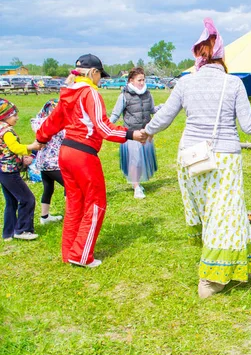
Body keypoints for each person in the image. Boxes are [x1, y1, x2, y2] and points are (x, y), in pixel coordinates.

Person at [143, 18, 251, 298]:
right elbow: (248, 126)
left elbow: (163, 117)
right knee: (223, 217)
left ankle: (233, 265)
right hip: (223, 158)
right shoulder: (232, 84)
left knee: (213, 214)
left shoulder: (186, 83)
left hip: (190, 157)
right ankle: (211, 280)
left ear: (199, 54)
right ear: (221, 55)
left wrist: (145, 132)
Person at [36, 54, 146, 268]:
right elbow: (103, 128)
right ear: (93, 73)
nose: (100, 80)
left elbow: (53, 121)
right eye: (100, 76)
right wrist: (131, 135)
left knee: (75, 203)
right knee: (96, 203)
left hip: (65, 152)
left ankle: (69, 251)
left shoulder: (68, 92)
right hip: (83, 155)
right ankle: (81, 255)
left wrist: (41, 138)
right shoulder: (90, 93)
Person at [110, 67, 159, 199]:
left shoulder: (148, 94)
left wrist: (164, 107)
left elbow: (152, 109)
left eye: (143, 79)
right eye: (139, 80)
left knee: (143, 160)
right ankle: (136, 187)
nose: (142, 82)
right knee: (135, 161)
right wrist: (105, 127)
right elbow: (115, 114)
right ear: (131, 80)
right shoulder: (124, 96)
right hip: (132, 134)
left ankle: (137, 183)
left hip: (146, 133)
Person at [0, 99, 43, 241]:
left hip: (2, 172)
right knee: (27, 199)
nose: (17, 118)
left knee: (11, 201)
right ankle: (23, 230)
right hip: (10, 172)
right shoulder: (7, 132)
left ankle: (8, 233)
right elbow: (15, 148)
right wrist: (31, 147)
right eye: (14, 115)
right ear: (4, 116)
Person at [30, 98, 65, 225]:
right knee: (71, 185)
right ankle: (73, 215)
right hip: (54, 162)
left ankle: (44, 217)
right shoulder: (56, 124)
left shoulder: (39, 122)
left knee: (48, 187)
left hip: (42, 161)